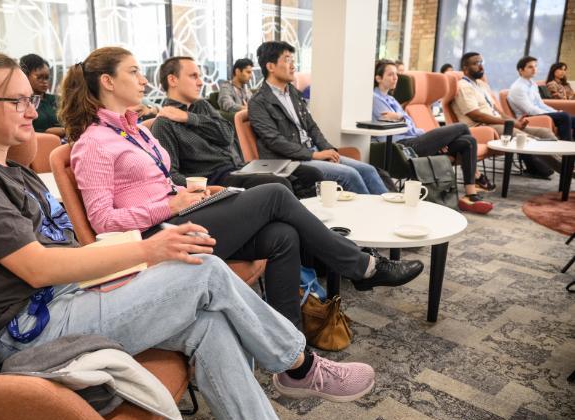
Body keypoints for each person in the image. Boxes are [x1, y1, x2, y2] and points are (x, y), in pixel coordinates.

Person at [0, 49, 379, 420]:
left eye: (28, 98)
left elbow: (63, 250)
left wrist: (129, 262)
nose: (32, 110)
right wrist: (147, 249)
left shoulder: (11, 169)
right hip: (31, 327)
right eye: (15, 101)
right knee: (204, 271)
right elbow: (36, 267)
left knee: (209, 323)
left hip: (68, 296)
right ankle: (297, 365)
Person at [60, 46, 424, 328]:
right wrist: (170, 206)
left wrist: (192, 194)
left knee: (283, 235)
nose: (143, 80)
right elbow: (104, 222)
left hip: (183, 213)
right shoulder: (93, 144)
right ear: (107, 81)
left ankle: (292, 342)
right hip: (158, 236)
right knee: (276, 192)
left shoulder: (135, 130)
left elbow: (161, 181)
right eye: (134, 72)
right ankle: (361, 267)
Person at [151, 55, 323, 197]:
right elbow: (170, 175)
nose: (201, 82)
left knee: (312, 175)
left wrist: (189, 117)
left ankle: (310, 221)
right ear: (173, 80)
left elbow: (227, 135)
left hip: (238, 168)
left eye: (200, 76)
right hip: (215, 178)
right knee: (281, 184)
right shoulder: (163, 124)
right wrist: (205, 188)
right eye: (193, 76)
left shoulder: (201, 107)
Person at [248, 41, 388, 195]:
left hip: (312, 153)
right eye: (287, 60)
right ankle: (366, 217)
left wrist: (328, 150)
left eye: (293, 61)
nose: (293, 66)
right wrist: (315, 155)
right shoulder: (258, 102)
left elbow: (311, 127)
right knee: (350, 175)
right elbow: (275, 141)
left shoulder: (293, 93)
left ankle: (389, 214)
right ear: (271, 67)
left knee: (368, 170)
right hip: (290, 161)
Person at [372, 59, 494, 214]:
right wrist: (403, 119)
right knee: (462, 127)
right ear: (378, 78)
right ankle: (476, 176)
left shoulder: (391, 99)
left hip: (413, 139)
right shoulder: (375, 99)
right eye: (390, 75)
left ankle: (470, 194)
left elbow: (409, 125)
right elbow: (400, 127)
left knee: (467, 141)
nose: (395, 78)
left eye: (396, 74)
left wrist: (437, 140)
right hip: (402, 146)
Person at [453, 52, 559, 177]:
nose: (481, 67)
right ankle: (567, 169)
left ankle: (560, 163)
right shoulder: (463, 86)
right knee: (526, 138)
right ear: (465, 68)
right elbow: (476, 115)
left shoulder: (481, 85)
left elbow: (497, 111)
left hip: (497, 124)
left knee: (545, 132)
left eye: (482, 63)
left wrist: (516, 122)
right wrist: (508, 123)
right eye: (476, 64)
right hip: (481, 127)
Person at [508, 56, 575, 141]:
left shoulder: (533, 84)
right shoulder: (518, 88)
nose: (534, 69)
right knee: (564, 116)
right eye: (530, 67)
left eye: (535, 66)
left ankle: (572, 149)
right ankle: (565, 151)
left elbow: (540, 104)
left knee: (572, 118)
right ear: (520, 70)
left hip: (537, 113)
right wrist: (551, 113)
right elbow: (530, 110)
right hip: (527, 117)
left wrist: (555, 112)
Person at [19, 53, 65, 138]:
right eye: (39, 77)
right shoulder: (20, 103)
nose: (44, 81)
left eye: (47, 78)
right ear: (25, 75)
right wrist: (47, 132)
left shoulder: (56, 100)